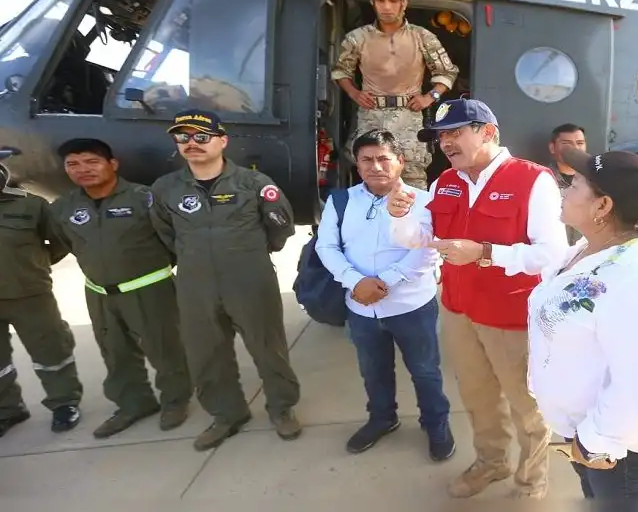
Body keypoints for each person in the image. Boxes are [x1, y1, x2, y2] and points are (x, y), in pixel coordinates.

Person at [387, 98, 568, 499]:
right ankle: (492, 460)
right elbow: (419, 238)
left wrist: (485, 252)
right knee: (476, 393)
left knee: (527, 404)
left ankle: (531, 477)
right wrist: (399, 215)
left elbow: (552, 254)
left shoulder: (532, 180)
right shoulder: (444, 182)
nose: (446, 144)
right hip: (457, 308)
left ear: (487, 132)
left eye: (455, 132)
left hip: (510, 315)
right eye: (441, 137)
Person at [527, 148, 638, 500]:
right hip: (585, 432)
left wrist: (596, 443)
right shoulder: (590, 249)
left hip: (617, 448)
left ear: (602, 207)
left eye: (575, 183)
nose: (563, 188)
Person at [150, 109, 302, 452]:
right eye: (183, 137)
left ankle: (281, 408)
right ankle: (226, 414)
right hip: (195, 284)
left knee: (268, 347)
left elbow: (280, 227)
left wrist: (249, 255)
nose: (192, 144)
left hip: (250, 279)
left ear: (222, 141)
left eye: (202, 137)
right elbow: (165, 233)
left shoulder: (254, 183)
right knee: (206, 353)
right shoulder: (165, 189)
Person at [315, 128, 454, 461]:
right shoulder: (340, 200)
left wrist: (384, 282)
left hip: (410, 306)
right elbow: (327, 246)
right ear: (357, 164)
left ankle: (436, 424)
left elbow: (427, 251)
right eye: (366, 160)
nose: (375, 166)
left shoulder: (425, 201)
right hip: (361, 307)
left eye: (383, 158)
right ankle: (382, 418)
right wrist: (355, 281)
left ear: (400, 162)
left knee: (425, 371)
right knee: (373, 370)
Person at [50, 138, 192, 438]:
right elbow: (67, 244)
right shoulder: (64, 207)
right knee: (115, 353)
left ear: (112, 164)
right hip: (100, 293)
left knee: (165, 349)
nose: (82, 170)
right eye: (73, 164)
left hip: (149, 288)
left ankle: (175, 401)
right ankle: (133, 404)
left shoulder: (145, 199)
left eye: (91, 161)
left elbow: (174, 240)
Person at [332, 0, 460, 190]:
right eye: (380, 0)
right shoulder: (357, 38)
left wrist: (430, 97)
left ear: (404, 3)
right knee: (372, 176)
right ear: (372, 2)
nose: (387, 7)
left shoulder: (422, 37)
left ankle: (414, 224)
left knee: (412, 178)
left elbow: (447, 72)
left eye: (393, 0)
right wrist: (354, 93)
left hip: (408, 116)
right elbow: (341, 71)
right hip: (371, 116)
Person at [0, 160, 83, 436]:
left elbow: (59, 240)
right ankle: (8, 410)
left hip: (30, 295)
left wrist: (38, 264)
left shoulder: (31, 205)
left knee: (51, 352)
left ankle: (64, 403)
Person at [548, 123, 587, 245]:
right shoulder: (542, 179)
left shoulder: (594, 181)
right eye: (566, 144)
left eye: (580, 143)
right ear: (553, 148)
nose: (575, 148)